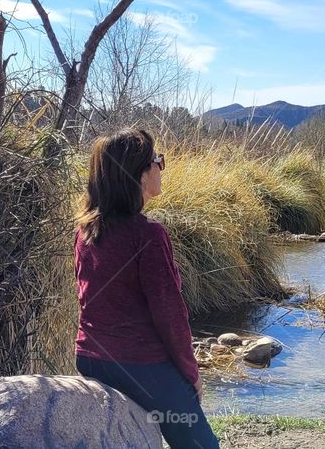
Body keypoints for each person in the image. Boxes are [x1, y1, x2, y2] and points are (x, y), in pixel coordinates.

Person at [73, 128, 221, 449]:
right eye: (157, 161)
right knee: (202, 445)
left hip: (88, 357)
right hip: (138, 364)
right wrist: (190, 374)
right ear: (139, 174)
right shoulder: (148, 235)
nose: (161, 166)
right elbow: (170, 314)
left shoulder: (85, 230)